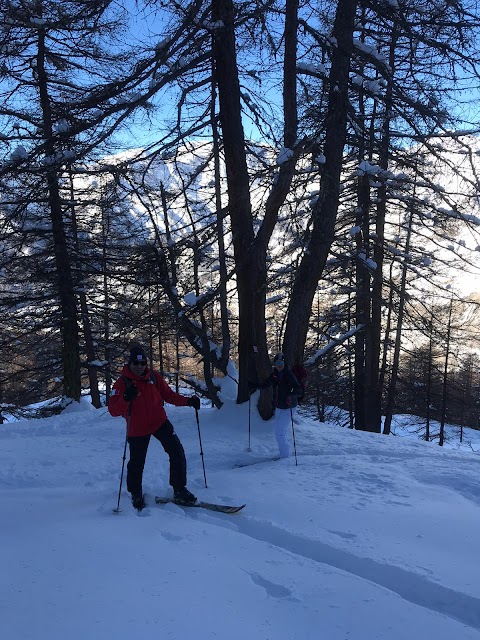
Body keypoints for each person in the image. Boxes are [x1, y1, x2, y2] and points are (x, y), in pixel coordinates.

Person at [108, 345, 201, 511]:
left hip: (159, 422)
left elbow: (169, 395)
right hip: (137, 428)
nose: (139, 366)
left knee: (177, 451)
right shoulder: (122, 383)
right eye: (135, 363)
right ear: (130, 363)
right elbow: (113, 410)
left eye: (142, 362)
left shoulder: (154, 377)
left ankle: (179, 490)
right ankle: (135, 493)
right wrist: (125, 398)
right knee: (137, 462)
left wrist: (188, 401)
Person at [255, 352, 302, 458]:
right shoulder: (275, 375)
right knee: (280, 432)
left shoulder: (289, 374)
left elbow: (299, 390)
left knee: (279, 432)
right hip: (279, 407)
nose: (279, 365)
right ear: (274, 364)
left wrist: (292, 393)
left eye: (281, 362)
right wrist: (254, 386)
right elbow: (265, 385)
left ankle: (285, 456)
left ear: (284, 363)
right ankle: (285, 454)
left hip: (289, 407)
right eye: (277, 362)